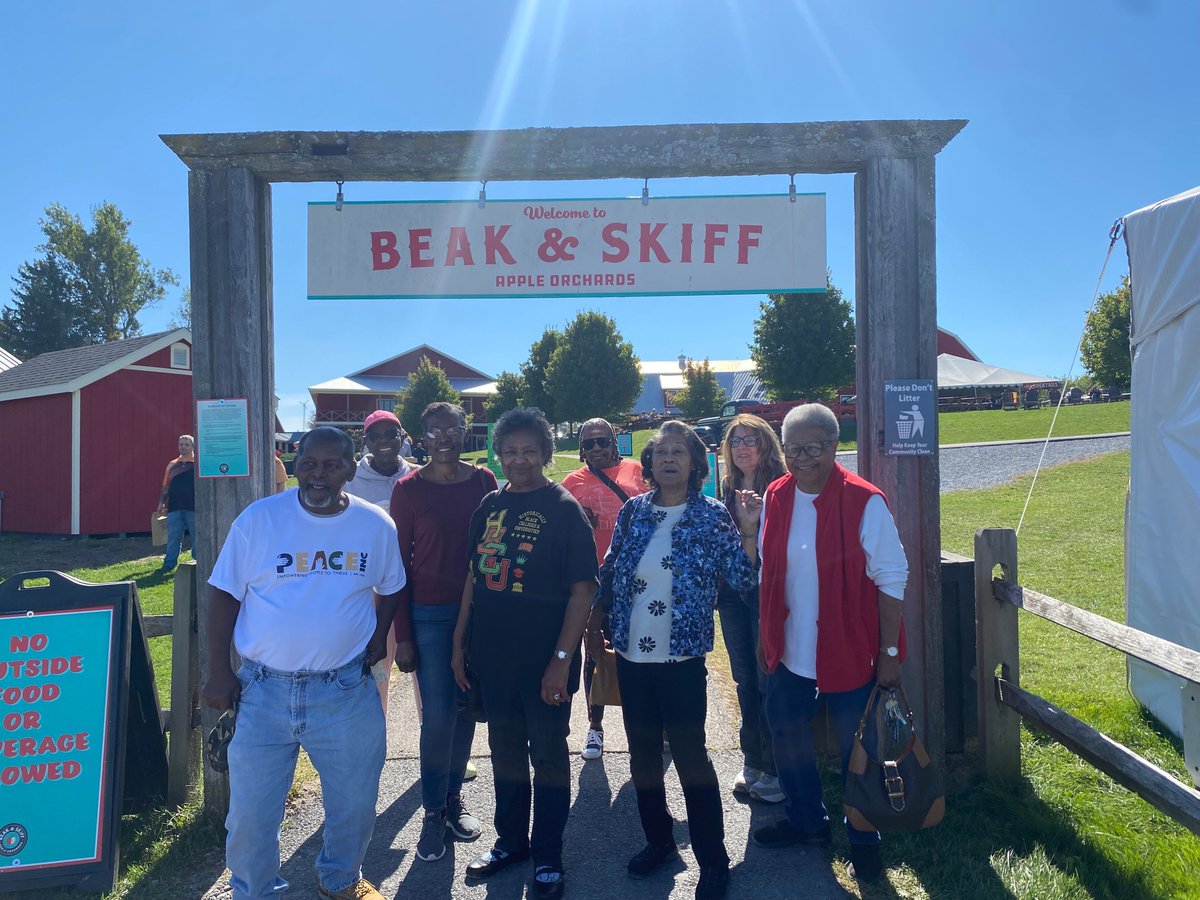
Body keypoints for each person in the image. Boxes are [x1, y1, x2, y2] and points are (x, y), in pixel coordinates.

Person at [202, 426, 406, 900]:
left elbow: (392, 586)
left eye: (331, 464)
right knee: (251, 815)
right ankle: (253, 891)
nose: (318, 474)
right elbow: (223, 593)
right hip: (262, 690)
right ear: (294, 465)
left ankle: (340, 881)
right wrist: (216, 669)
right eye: (309, 464)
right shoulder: (259, 520)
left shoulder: (375, 525)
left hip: (344, 691)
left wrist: (379, 637)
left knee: (355, 805)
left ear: (351, 469)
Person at [589, 421, 761, 900]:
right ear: (648, 463)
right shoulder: (634, 512)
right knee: (642, 755)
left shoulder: (711, 516)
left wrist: (749, 532)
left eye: (678, 452)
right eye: (660, 452)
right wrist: (594, 617)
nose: (668, 459)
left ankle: (713, 860)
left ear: (694, 463)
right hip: (631, 653)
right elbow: (611, 566)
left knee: (690, 757)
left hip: (681, 656)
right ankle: (660, 841)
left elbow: (743, 581)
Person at [752, 404, 908, 884]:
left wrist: (889, 655)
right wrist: (766, 637)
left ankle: (863, 837)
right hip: (792, 650)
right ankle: (807, 822)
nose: (802, 458)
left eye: (813, 448)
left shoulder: (864, 500)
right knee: (785, 733)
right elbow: (767, 568)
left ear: (834, 446)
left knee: (855, 750)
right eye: (793, 448)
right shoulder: (776, 495)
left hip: (849, 649)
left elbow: (892, 578)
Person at [452, 408, 597, 899]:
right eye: (510, 451)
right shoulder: (488, 506)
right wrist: (458, 644)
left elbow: (582, 591)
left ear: (545, 454)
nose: (519, 460)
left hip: (544, 664)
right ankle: (511, 841)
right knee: (505, 753)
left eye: (529, 451)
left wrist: (560, 662)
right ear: (499, 453)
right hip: (492, 660)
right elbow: (474, 576)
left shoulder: (563, 509)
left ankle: (549, 853)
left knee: (549, 757)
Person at [390, 402, 497, 863]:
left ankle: (454, 799)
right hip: (430, 614)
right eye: (435, 432)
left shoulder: (483, 482)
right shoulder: (408, 490)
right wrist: (404, 635)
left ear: (466, 431)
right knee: (437, 716)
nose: (446, 438)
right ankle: (432, 811)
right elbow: (398, 565)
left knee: (466, 707)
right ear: (422, 438)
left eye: (453, 429)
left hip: (481, 613)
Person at [560, 418, 648, 761]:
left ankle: (644, 725)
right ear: (581, 448)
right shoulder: (571, 483)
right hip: (590, 580)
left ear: (615, 442)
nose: (596, 448)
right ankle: (595, 727)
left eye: (602, 441)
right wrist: (577, 521)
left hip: (637, 580)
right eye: (589, 443)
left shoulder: (639, 471)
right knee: (595, 651)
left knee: (638, 653)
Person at [716, 414, 786, 802]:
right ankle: (753, 759)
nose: (742, 447)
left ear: (765, 445)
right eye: (736, 440)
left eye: (751, 440)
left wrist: (750, 527)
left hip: (767, 593)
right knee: (744, 678)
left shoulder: (781, 486)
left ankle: (776, 767)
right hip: (732, 594)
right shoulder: (727, 488)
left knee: (767, 678)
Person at [344, 410, 413, 708]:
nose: (384, 441)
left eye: (391, 434)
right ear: (366, 440)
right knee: (375, 670)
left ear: (403, 438)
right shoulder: (350, 480)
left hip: (414, 584)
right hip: (369, 590)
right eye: (375, 435)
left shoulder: (417, 475)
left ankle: (439, 750)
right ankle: (374, 747)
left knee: (426, 669)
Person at [158, 434, 196, 574]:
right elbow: (165, 486)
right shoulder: (172, 465)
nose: (183, 447)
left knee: (196, 536)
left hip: (193, 506)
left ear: (193, 446)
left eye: (186, 444)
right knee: (173, 536)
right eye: (181, 444)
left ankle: (198, 561)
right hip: (174, 507)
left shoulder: (198, 464)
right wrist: (161, 503)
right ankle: (169, 564)